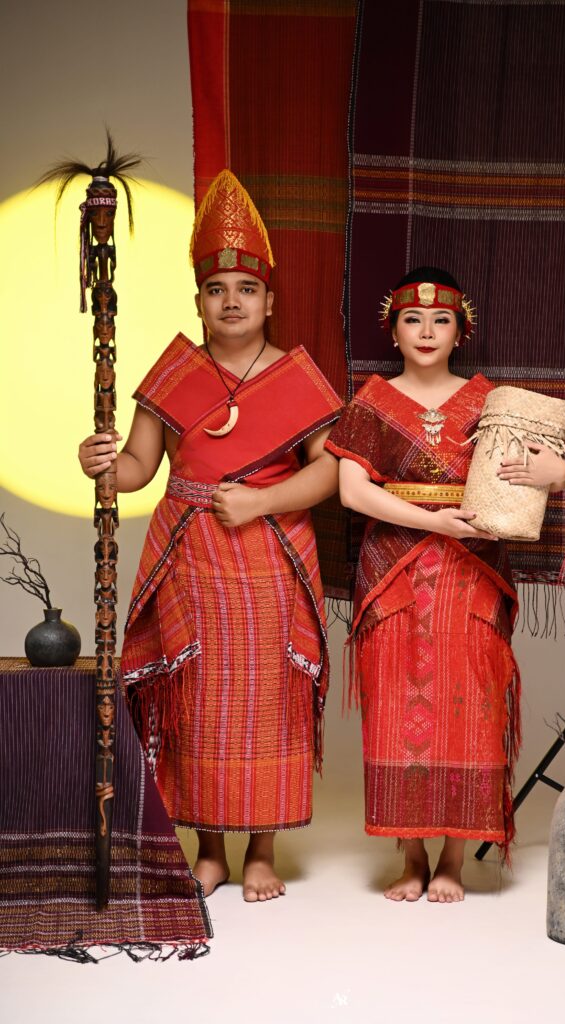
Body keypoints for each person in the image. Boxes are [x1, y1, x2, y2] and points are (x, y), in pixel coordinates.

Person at [78, 171, 341, 900]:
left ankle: (263, 850)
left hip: (270, 553)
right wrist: (101, 463)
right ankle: (211, 847)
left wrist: (261, 503)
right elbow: (138, 468)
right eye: (216, 289)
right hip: (190, 555)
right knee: (197, 699)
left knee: (267, 701)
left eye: (246, 289)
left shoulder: (297, 379)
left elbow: (330, 473)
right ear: (198, 300)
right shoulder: (173, 375)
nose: (231, 301)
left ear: (269, 301)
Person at [325, 266, 565, 903]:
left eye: (442, 320)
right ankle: (411, 857)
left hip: (473, 567)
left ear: (462, 331)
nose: (427, 331)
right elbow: (352, 491)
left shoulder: (491, 400)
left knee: (472, 706)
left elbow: (557, 467)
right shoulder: (372, 401)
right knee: (393, 706)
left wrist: (550, 471)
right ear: (394, 331)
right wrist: (432, 520)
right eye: (413, 319)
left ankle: (453, 859)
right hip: (395, 566)